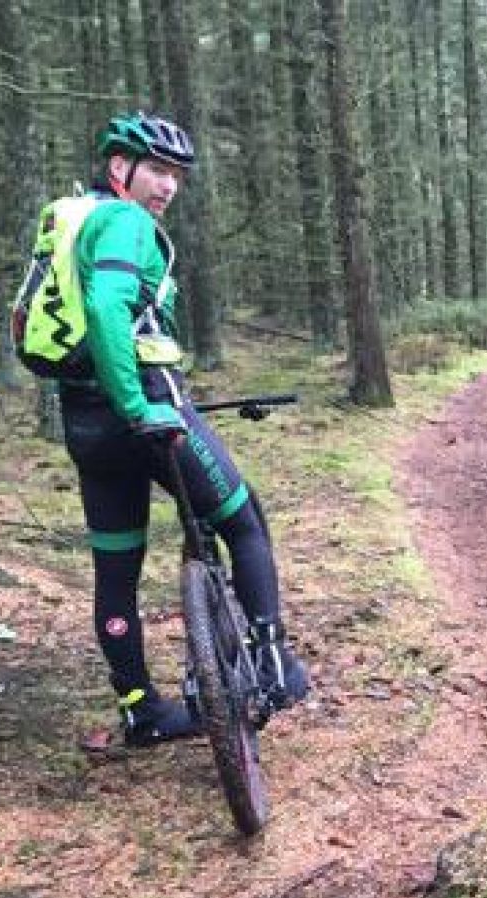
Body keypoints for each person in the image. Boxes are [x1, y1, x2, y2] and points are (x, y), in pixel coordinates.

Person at [61, 110, 308, 747]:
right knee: (241, 514)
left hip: (85, 423)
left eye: (176, 175)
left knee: (116, 569)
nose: (168, 186)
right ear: (121, 169)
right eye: (157, 171)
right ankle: (273, 662)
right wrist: (139, 406)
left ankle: (141, 710)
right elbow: (110, 308)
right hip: (146, 407)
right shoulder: (124, 221)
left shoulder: (75, 224)